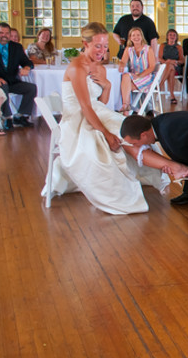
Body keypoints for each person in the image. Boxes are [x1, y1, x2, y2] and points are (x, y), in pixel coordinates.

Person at [43, 22, 175, 215]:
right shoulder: (77, 67)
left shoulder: (100, 68)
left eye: (105, 46)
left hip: (97, 112)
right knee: (115, 136)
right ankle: (145, 180)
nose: (102, 51)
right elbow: (85, 106)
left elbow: (101, 104)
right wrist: (104, 133)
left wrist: (107, 87)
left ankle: (163, 170)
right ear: (85, 43)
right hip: (77, 119)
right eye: (98, 46)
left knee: (131, 129)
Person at [0, 22, 36, 130]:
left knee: (31, 88)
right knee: (3, 87)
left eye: (7, 33)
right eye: (1, 33)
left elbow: (27, 62)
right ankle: (7, 118)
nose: (4, 35)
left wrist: (26, 68)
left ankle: (21, 116)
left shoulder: (17, 47)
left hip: (13, 81)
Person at [118, 27, 157, 113]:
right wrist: (121, 64)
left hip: (147, 77)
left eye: (138, 35)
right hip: (134, 77)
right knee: (125, 76)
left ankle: (126, 111)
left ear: (142, 36)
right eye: (133, 35)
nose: (136, 37)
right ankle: (126, 106)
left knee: (123, 87)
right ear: (130, 38)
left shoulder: (148, 49)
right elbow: (123, 61)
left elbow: (152, 67)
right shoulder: (128, 49)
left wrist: (139, 75)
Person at [158, 29, 184, 105]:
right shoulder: (163, 45)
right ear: (167, 36)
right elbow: (159, 58)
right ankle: (172, 96)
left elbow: (182, 60)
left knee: (171, 67)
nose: (172, 37)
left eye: (174, 35)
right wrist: (168, 62)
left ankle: (160, 85)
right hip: (164, 67)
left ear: (176, 37)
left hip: (176, 66)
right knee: (170, 67)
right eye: (170, 35)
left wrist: (175, 62)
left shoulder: (179, 47)